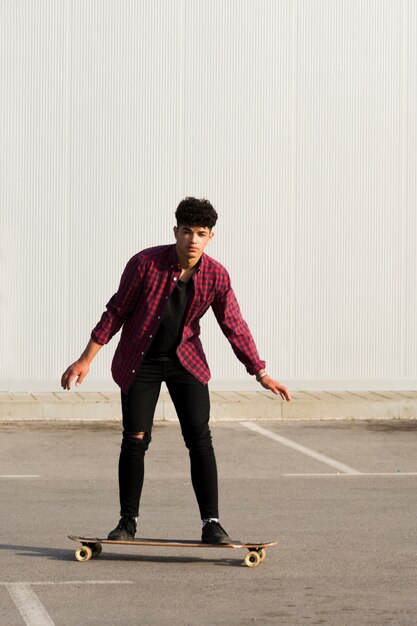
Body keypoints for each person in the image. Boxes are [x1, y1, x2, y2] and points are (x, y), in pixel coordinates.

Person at [61, 197, 291, 544]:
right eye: (187, 232)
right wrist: (86, 358)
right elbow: (116, 312)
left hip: (186, 361)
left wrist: (259, 372)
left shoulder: (216, 275)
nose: (193, 240)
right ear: (176, 232)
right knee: (135, 439)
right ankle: (127, 522)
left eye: (201, 233)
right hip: (140, 360)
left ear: (211, 237)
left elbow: (234, 325)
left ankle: (211, 523)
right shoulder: (144, 264)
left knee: (200, 439)